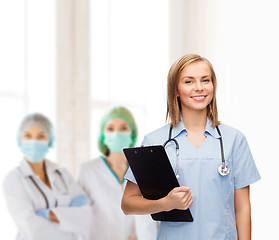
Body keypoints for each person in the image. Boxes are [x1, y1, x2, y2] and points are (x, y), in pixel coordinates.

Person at [121, 54, 261, 240]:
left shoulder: (234, 139)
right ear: (176, 90)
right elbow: (128, 203)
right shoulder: (155, 140)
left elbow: (242, 207)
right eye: (189, 81)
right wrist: (164, 203)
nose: (199, 88)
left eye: (206, 80)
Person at [3, 113, 92, 240]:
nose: (34, 142)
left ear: (49, 141)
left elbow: (85, 216)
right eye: (28, 136)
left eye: (41, 136)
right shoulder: (14, 179)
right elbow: (32, 230)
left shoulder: (62, 173)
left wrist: (48, 214)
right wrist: (68, 220)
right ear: (20, 140)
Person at [78, 106, 137, 240]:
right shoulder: (88, 170)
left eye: (123, 128)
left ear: (132, 133)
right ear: (103, 135)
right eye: (110, 129)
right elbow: (80, 217)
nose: (116, 133)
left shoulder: (141, 170)